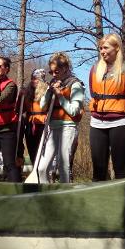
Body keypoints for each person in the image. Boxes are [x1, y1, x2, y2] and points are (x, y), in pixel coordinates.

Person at [89, 34, 125, 181]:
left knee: (121, 167)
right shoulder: (95, 69)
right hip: (96, 122)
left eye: (106, 47)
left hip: (120, 122)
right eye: (100, 48)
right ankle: (98, 200)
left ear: (117, 48)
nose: (102, 51)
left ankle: (123, 201)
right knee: (98, 168)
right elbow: (92, 91)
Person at [38, 52, 84, 183]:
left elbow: (74, 110)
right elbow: (42, 106)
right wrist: (49, 91)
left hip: (68, 127)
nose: (53, 75)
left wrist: (60, 96)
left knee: (63, 166)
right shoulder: (53, 84)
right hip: (53, 128)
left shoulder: (75, 85)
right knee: (42, 168)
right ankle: (46, 196)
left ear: (65, 69)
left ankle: (65, 194)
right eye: (51, 72)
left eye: (56, 71)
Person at [17, 69, 48, 167]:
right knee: (32, 150)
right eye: (33, 79)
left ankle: (43, 172)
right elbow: (20, 110)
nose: (34, 81)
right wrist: (21, 96)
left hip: (43, 123)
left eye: (37, 79)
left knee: (43, 151)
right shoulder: (26, 92)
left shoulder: (48, 91)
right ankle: (35, 169)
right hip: (30, 123)